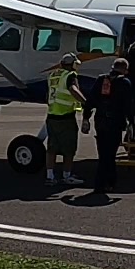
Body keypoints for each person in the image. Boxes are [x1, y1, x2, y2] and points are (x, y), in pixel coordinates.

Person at [82, 56, 135, 192]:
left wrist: (86, 118)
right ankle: (105, 183)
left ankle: (106, 182)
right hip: (115, 123)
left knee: (103, 153)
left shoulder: (101, 80)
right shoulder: (125, 83)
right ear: (124, 69)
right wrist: (131, 124)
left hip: (100, 121)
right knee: (110, 154)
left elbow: (90, 101)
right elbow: (128, 105)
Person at [44, 53, 87, 186]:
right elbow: (73, 89)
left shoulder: (53, 75)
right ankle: (67, 176)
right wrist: (86, 102)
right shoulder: (70, 75)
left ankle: (50, 176)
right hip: (65, 117)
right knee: (69, 149)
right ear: (73, 64)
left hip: (51, 115)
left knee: (51, 148)